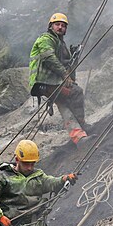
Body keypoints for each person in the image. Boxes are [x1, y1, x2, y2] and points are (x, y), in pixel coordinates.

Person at [0, 139, 77, 226]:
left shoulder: (37, 176)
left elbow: (51, 182)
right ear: (17, 159)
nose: (30, 167)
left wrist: (63, 179)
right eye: (26, 164)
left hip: (36, 223)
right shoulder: (2, 176)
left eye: (32, 164)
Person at [29, 12, 91, 140]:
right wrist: (65, 74)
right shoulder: (46, 39)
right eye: (57, 24)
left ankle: (79, 137)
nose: (60, 27)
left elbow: (66, 67)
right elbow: (49, 58)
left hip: (51, 82)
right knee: (76, 92)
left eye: (63, 25)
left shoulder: (60, 44)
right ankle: (83, 125)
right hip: (45, 82)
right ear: (51, 26)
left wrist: (73, 60)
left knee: (64, 103)